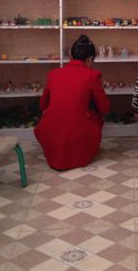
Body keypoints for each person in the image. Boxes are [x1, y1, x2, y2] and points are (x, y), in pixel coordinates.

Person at [35, 35, 110, 170]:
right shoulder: (92, 75)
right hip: (78, 136)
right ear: (90, 59)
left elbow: (42, 105)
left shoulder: (53, 74)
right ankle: (83, 146)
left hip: (50, 131)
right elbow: (104, 108)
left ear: (71, 55)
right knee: (95, 115)